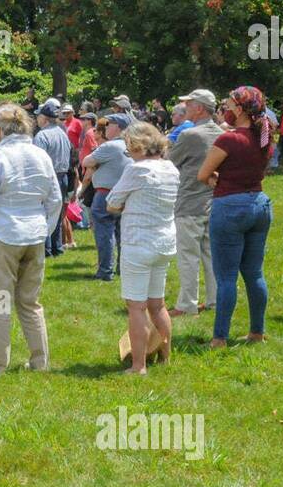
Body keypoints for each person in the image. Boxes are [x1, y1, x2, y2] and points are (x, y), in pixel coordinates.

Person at [0, 103, 62, 377]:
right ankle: (39, 362)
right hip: (33, 234)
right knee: (30, 301)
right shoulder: (40, 155)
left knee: (0, 301)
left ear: (0, 129)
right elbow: (55, 198)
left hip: (3, 233)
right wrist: (45, 229)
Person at [197, 86, 273, 348]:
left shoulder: (229, 139)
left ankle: (219, 338)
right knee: (254, 273)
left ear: (241, 109)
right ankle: (257, 332)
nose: (225, 109)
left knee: (226, 276)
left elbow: (202, 174)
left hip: (229, 207)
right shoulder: (263, 137)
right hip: (259, 204)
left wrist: (217, 180)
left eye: (229, 105)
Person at [106, 122, 179, 373]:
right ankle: (165, 356)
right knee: (157, 304)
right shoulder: (171, 168)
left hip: (139, 244)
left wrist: (128, 205)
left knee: (136, 306)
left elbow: (112, 202)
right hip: (164, 242)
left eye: (129, 148)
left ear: (137, 146)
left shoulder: (137, 170)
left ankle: (139, 366)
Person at [166, 89, 222, 317]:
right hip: (214, 201)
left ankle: (187, 304)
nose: (185, 108)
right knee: (211, 254)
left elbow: (170, 161)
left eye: (188, 105)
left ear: (199, 108)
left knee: (188, 256)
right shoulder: (221, 133)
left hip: (189, 201)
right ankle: (214, 300)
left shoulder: (191, 135)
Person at [81, 112, 132, 281]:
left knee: (104, 232)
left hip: (105, 194)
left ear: (118, 127)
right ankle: (123, 268)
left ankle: (105, 271)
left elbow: (87, 162)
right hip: (124, 193)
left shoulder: (110, 146)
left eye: (109, 125)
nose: (106, 128)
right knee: (121, 233)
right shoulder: (130, 145)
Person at [33, 100, 73, 258]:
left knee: (44, 213)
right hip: (63, 177)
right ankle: (57, 247)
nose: (36, 119)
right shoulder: (62, 133)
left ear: (44, 118)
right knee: (57, 212)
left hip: (49, 177)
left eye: (38, 116)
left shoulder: (42, 135)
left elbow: (38, 161)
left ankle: (46, 250)